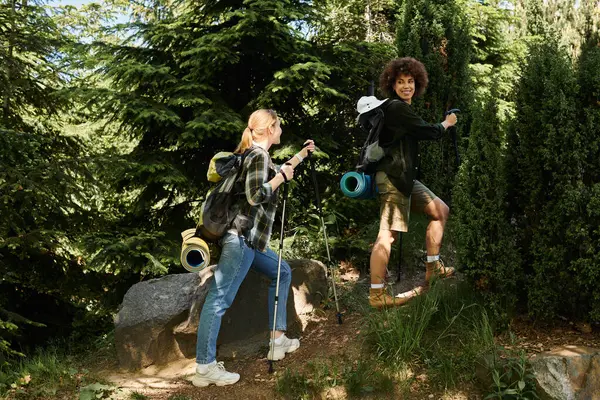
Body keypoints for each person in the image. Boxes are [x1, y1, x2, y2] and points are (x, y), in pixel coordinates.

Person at [193, 109, 315, 387]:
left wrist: (301, 155)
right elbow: (256, 193)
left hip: (251, 242)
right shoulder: (258, 156)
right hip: (241, 240)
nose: (282, 129)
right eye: (280, 125)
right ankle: (205, 367)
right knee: (219, 299)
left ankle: (277, 339)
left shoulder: (255, 156)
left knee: (282, 271)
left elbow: (275, 173)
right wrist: (282, 179)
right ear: (271, 128)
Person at [368, 57, 457, 309]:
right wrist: (446, 124)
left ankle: (433, 268)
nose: (406, 86)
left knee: (440, 211)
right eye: (400, 82)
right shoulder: (396, 108)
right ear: (392, 85)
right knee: (387, 236)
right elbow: (427, 131)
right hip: (393, 179)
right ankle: (376, 294)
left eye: (410, 81)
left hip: (404, 178)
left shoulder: (400, 108)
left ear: (417, 84)